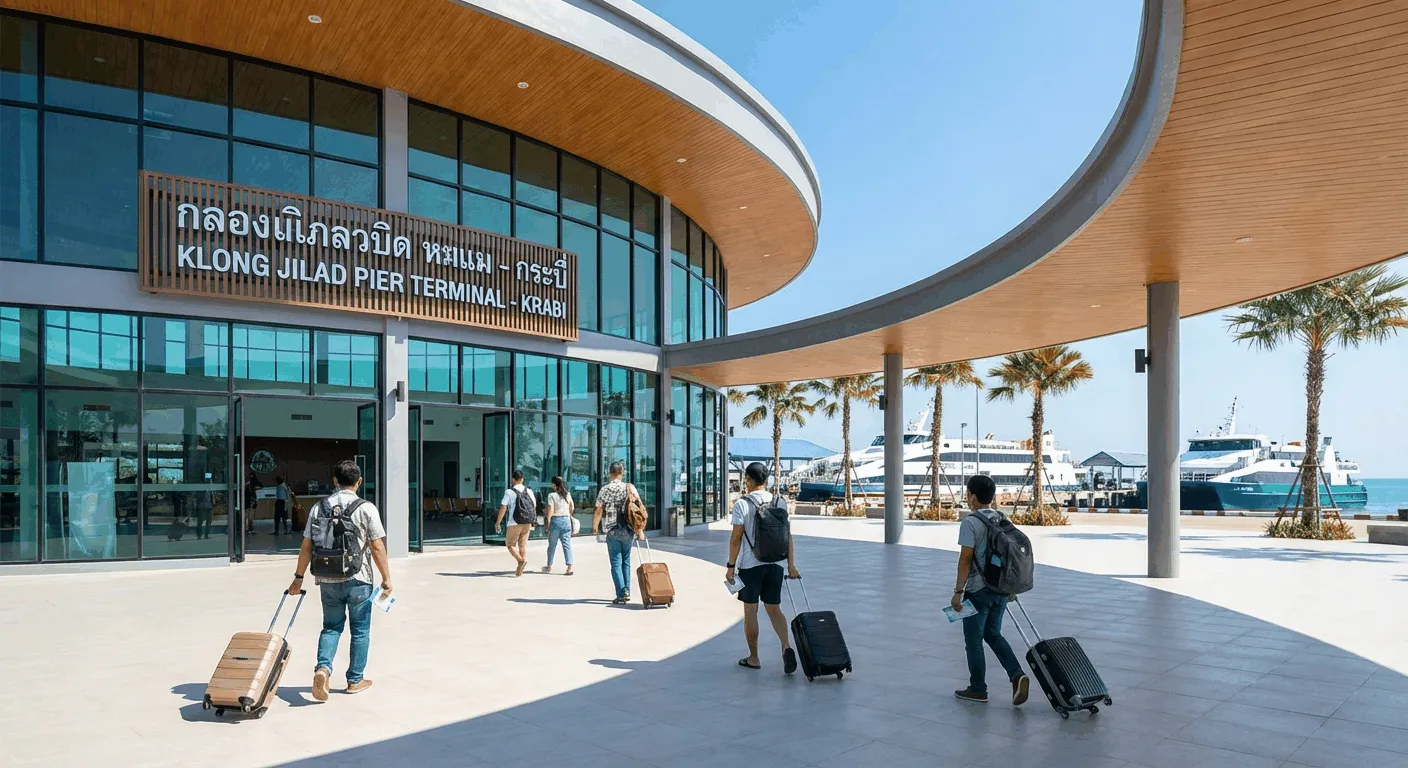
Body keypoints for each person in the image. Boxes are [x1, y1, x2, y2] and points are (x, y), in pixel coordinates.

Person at [288, 460, 391, 702]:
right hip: (359, 578)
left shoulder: (319, 508)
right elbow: (377, 546)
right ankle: (355, 680)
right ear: (359, 482)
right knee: (360, 630)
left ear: (335, 481)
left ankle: (323, 669)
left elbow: (306, 547)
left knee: (331, 627)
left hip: (327, 578)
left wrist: (298, 578)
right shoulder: (366, 508)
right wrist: (387, 578)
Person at [952, 474, 1030, 705]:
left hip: (978, 591)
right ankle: (1016, 675)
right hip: (1001, 590)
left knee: (973, 640)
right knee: (993, 633)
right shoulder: (1000, 518)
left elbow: (965, 559)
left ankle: (978, 689)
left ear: (972, 496)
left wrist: (958, 591)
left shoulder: (970, 522)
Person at [725, 462, 800, 673]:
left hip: (750, 566)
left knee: (750, 610)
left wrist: (731, 566)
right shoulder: (779, 502)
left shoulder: (742, 504)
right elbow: (787, 536)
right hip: (775, 564)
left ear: (748, 479)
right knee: (775, 609)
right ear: (766, 480)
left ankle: (754, 657)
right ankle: (786, 646)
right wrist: (791, 565)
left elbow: (736, 538)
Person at [592, 461, 644, 604]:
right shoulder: (630, 488)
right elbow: (638, 509)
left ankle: (621, 593)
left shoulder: (605, 489)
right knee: (626, 561)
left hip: (612, 529)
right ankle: (626, 590)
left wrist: (595, 527)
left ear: (609, 473)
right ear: (622, 472)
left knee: (616, 562)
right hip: (628, 529)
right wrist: (639, 530)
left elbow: (598, 510)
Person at [494, 469, 536, 577]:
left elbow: (503, 507)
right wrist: (533, 520)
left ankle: (521, 560)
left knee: (510, 545)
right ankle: (520, 571)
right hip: (527, 522)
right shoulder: (529, 491)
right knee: (522, 545)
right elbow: (534, 506)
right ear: (522, 479)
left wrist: (498, 522)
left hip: (514, 522)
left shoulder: (509, 492)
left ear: (513, 479)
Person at [543, 476, 575, 575]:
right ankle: (569, 567)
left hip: (556, 520)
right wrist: (568, 515)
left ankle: (549, 566)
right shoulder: (567, 494)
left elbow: (551, 510)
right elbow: (572, 507)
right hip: (566, 520)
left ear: (554, 485)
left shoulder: (551, 495)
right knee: (567, 544)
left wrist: (548, 522)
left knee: (552, 545)